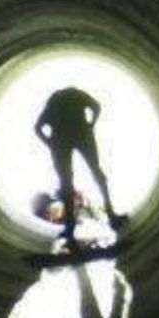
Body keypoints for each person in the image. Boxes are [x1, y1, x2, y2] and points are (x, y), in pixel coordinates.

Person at [34, 86, 127, 245]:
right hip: (81, 134)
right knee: (96, 172)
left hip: (61, 142)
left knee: (66, 183)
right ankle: (111, 216)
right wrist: (91, 124)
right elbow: (96, 107)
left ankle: (70, 228)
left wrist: (49, 143)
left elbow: (38, 128)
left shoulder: (54, 103)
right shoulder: (73, 95)